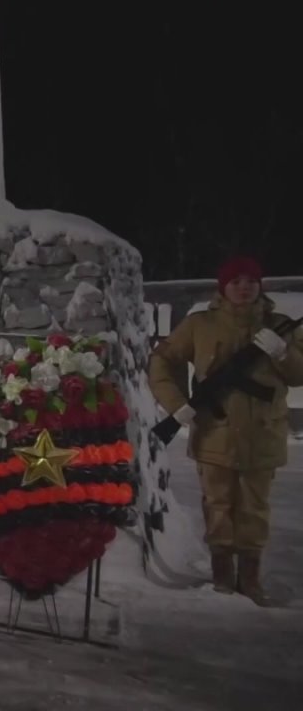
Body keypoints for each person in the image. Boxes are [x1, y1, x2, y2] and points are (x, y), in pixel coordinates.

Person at [148, 256, 303, 606]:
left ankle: (249, 578)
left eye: (251, 281)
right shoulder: (200, 324)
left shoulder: (282, 326)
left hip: (263, 435)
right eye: (236, 282)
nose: (244, 287)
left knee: (254, 509)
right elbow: (162, 359)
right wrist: (177, 404)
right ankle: (222, 576)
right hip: (215, 432)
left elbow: (299, 375)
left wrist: (282, 355)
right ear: (223, 287)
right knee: (218, 506)